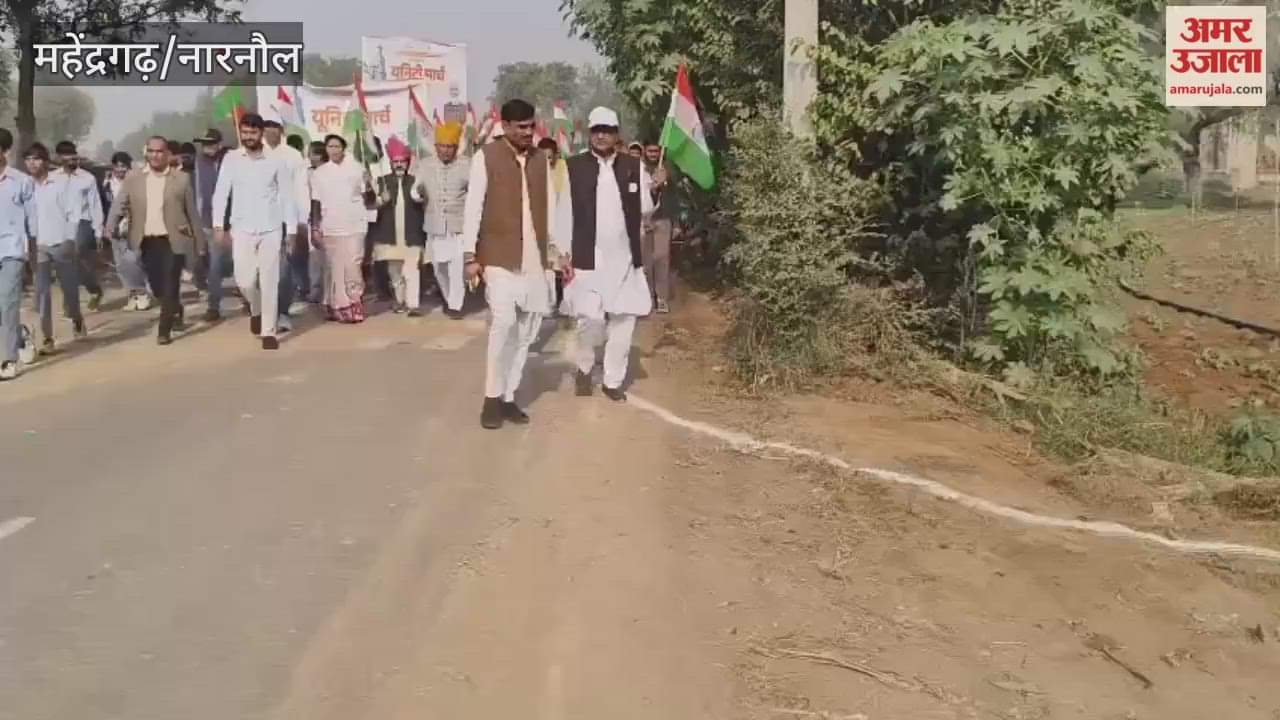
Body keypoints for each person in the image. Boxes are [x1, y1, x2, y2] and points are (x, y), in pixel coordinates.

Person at [461, 98, 558, 429]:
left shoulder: (540, 159)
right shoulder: (486, 157)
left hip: (535, 258)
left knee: (527, 330)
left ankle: (508, 396)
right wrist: (470, 255)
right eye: (521, 127)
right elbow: (473, 207)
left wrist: (557, 250)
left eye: (531, 126)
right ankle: (491, 397)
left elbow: (552, 206)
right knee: (503, 323)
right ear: (504, 127)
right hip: (498, 256)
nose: (528, 133)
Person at [557, 107, 659, 402]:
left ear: (617, 134)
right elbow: (563, 212)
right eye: (596, 130)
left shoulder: (633, 165)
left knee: (624, 321)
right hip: (586, 258)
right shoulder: (573, 166)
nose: (601, 135)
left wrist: (654, 187)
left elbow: (645, 207)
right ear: (590, 133)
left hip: (624, 258)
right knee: (589, 319)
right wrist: (562, 252)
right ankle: (584, 367)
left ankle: (613, 381)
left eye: (607, 130)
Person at [105, 136, 204, 345]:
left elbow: (192, 213)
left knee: (170, 282)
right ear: (146, 153)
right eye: (151, 151)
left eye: (159, 151)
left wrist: (199, 243)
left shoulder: (181, 179)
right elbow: (120, 203)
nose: (155, 155)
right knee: (157, 287)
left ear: (167, 154)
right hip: (147, 241)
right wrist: (110, 224)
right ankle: (175, 307)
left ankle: (164, 330)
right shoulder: (134, 178)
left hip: (174, 239)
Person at [211, 113, 297, 350]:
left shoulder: (276, 160)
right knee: (245, 281)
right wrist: (218, 225)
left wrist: (291, 230)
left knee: (270, 281)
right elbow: (221, 193)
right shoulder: (231, 159)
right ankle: (256, 308)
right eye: (245, 132)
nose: (248, 137)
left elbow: (287, 196)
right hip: (241, 228)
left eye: (253, 132)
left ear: (261, 133)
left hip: (271, 228)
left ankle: (269, 332)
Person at [27, 142, 86, 354]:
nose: (32, 163)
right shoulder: (25, 186)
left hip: (62, 243)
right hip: (38, 246)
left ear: (45, 161)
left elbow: (74, 212)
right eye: (28, 159)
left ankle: (76, 317)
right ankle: (47, 337)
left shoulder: (61, 183)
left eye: (36, 159)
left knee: (69, 289)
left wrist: (70, 239)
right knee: (41, 293)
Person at [310, 133, 369, 323]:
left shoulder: (357, 169)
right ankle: (341, 306)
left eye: (337, 146)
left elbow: (369, 199)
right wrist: (315, 227)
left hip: (355, 224)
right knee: (335, 268)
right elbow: (316, 202)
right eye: (330, 147)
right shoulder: (319, 173)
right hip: (331, 225)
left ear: (344, 148)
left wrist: (368, 184)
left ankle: (355, 300)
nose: (334, 150)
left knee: (353, 264)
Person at [412, 121, 469, 318]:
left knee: (457, 268)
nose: (445, 150)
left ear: (456, 147)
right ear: (435, 147)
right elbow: (415, 191)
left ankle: (456, 305)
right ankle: (448, 297)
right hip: (435, 226)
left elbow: (477, 193)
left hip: (459, 226)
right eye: (442, 146)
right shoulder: (425, 165)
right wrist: (418, 194)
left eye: (449, 147)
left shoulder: (466, 165)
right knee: (439, 268)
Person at [262, 119, 310, 334]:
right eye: (266, 131)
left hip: (285, 220)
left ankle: (282, 312)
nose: (270, 134)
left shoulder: (292, 156)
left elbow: (301, 188)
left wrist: (302, 220)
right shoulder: (252, 155)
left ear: (281, 132)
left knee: (284, 269)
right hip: (258, 220)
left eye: (274, 131)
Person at [371, 137, 425, 316]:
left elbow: (424, 201)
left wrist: (420, 196)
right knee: (395, 273)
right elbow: (370, 206)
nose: (399, 165)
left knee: (412, 270)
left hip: (412, 234)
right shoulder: (382, 181)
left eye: (403, 161)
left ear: (408, 163)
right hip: (389, 235)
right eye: (396, 162)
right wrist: (381, 200)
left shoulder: (416, 181)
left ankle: (413, 305)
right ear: (391, 163)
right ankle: (400, 301)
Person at [0, 128, 36, 380]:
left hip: (12, 250)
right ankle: (20, 336)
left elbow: (32, 221)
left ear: (5, 151)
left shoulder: (21, 181)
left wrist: (32, 253)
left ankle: (9, 359)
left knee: (8, 303)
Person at [54, 140, 105, 311]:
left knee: (75, 254)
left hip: (82, 222)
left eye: (71, 155)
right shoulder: (52, 178)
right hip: (60, 223)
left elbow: (95, 205)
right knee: (63, 262)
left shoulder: (87, 178)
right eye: (65, 155)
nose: (69, 159)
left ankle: (89, 291)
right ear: (58, 157)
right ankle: (75, 300)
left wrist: (98, 230)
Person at [101, 151, 152, 311]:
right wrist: (107, 226)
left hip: (133, 226)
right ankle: (132, 294)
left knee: (133, 260)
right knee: (120, 264)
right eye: (117, 166)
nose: (120, 169)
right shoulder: (107, 184)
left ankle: (142, 292)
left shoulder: (136, 182)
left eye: (123, 166)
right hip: (114, 228)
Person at [192, 128, 234, 321]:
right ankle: (213, 305)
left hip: (233, 220)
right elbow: (198, 193)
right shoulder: (199, 162)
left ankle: (249, 300)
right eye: (204, 144)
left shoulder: (231, 160)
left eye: (210, 143)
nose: (206, 147)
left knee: (238, 263)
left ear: (219, 144)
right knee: (213, 265)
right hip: (209, 222)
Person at [641, 140, 677, 314]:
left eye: (656, 151)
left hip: (663, 220)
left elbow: (675, 197)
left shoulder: (668, 169)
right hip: (643, 220)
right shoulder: (639, 170)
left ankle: (662, 298)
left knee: (661, 258)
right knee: (646, 262)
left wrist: (664, 181)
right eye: (650, 151)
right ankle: (648, 297)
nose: (654, 154)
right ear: (645, 151)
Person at [305, 140, 326, 303]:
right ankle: (316, 289)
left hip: (328, 217)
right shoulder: (308, 173)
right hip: (312, 217)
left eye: (311, 153)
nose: (309, 157)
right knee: (314, 257)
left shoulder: (330, 172)